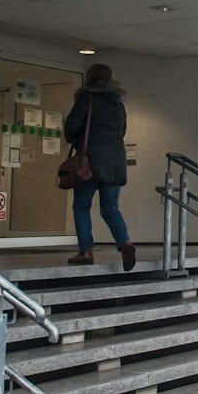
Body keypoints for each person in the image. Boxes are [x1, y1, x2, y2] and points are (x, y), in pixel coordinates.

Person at [63, 63, 135, 270]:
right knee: (110, 207)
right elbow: (122, 130)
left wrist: (76, 139)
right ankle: (125, 243)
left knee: (81, 206)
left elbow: (72, 127)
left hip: (90, 162)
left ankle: (85, 251)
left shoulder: (87, 98)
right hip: (116, 162)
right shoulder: (118, 103)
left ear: (89, 78)